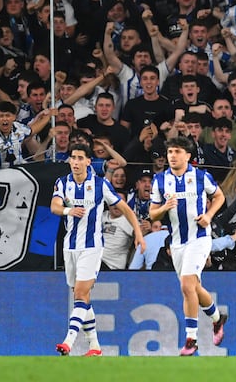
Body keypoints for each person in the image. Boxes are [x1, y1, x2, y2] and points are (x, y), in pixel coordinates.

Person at [51, 143, 146, 356]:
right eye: (72, 158)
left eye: (79, 158)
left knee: (81, 293)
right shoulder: (62, 183)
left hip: (92, 246)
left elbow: (126, 209)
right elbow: (54, 206)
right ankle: (94, 346)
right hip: (70, 246)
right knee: (81, 297)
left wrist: (138, 233)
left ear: (88, 161)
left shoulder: (100, 184)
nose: (75, 162)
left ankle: (69, 341)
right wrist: (68, 210)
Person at [149, 136, 228, 356]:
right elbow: (152, 213)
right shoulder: (160, 181)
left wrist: (209, 215)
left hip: (200, 238)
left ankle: (191, 338)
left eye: (177, 151)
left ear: (188, 156)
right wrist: (164, 207)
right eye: (170, 152)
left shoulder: (201, 176)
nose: (172, 156)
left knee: (186, 286)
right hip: (176, 243)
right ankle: (217, 318)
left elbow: (220, 196)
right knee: (193, 287)